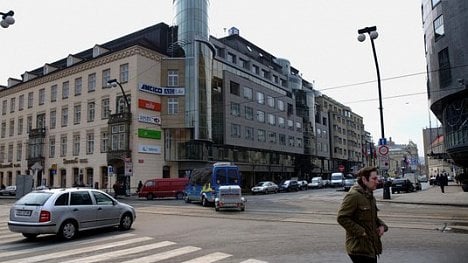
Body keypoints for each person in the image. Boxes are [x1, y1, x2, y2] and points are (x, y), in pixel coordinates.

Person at [337, 166, 388, 263]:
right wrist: (361, 231)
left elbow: (373, 217)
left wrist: (382, 226)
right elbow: (342, 217)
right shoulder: (354, 196)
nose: (377, 181)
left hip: (370, 246)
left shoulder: (369, 196)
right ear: (364, 179)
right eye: (374, 178)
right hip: (359, 249)